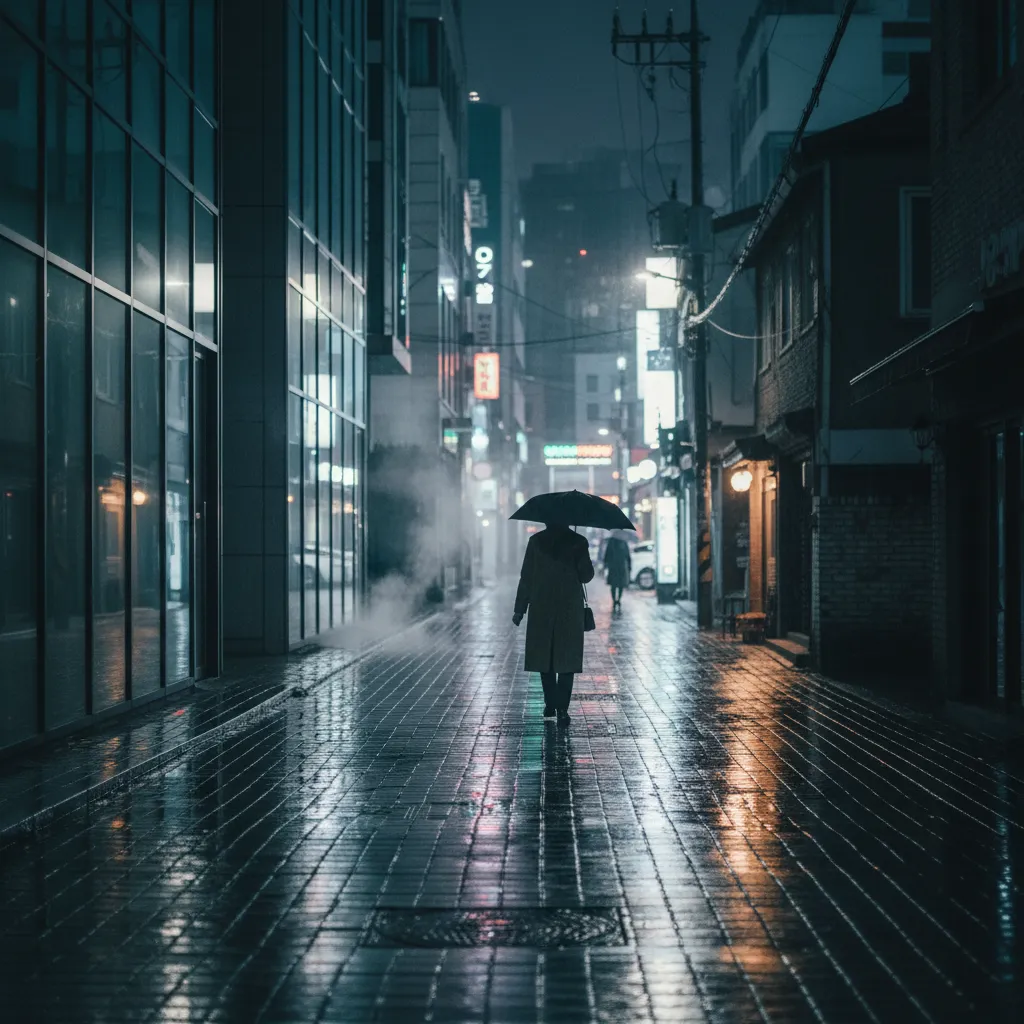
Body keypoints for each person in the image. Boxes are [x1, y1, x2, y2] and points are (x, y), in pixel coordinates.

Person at [512, 524, 595, 725]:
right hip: (569, 608)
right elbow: (587, 576)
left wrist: (520, 609)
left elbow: (527, 577)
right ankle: (562, 709)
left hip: (542, 607)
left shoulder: (536, 541)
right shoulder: (578, 542)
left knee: (545, 658)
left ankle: (550, 703)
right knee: (567, 660)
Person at [603, 531, 631, 611]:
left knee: (616, 585)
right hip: (617, 566)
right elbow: (627, 556)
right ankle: (616, 600)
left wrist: (606, 564)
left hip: (616, 566)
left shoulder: (617, 542)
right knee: (617, 585)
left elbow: (607, 554)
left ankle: (617, 600)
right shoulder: (619, 542)